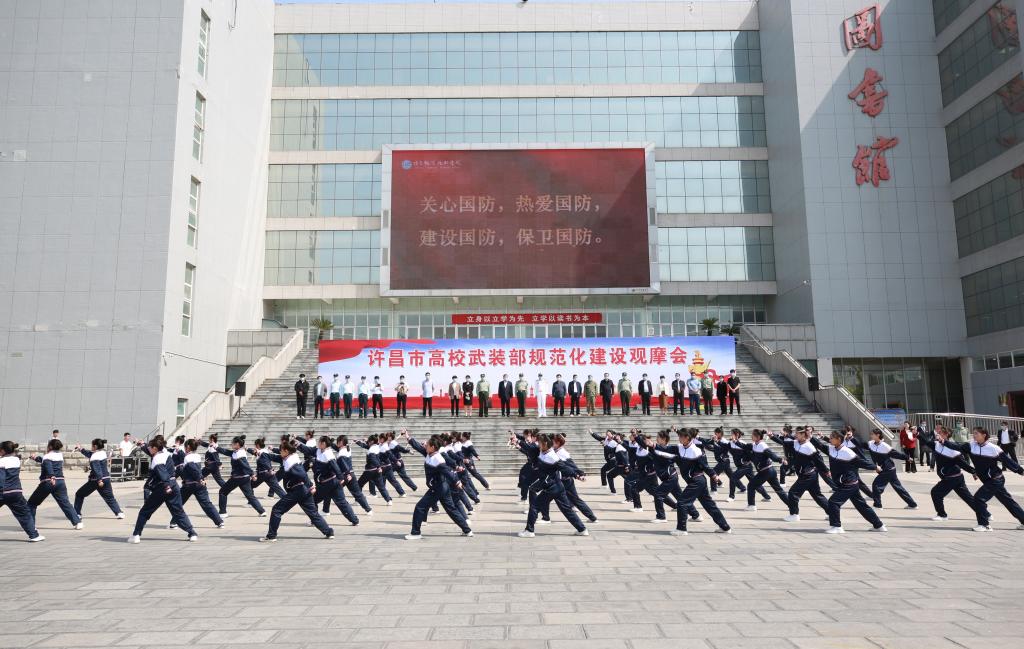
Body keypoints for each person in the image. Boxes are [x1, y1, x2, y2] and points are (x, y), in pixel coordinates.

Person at [650, 428, 731, 536]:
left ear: (687, 438)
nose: (679, 438)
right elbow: (667, 448)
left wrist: (714, 475)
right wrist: (653, 445)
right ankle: (725, 527)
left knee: (682, 502)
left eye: (681, 437)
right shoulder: (680, 447)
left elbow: (705, 466)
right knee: (709, 505)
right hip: (696, 481)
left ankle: (681, 529)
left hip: (697, 481)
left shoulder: (696, 451)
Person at [259, 439, 334, 542]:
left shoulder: (291, 462)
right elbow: (274, 457)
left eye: (281, 450)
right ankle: (329, 532)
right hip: (302, 491)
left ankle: (271, 536)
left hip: (297, 490)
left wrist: (311, 486)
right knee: (313, 513)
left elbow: (302, 474)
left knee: (277, 510)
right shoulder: (290, 457)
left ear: (286, 451)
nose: (280, 452)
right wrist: (261, 453)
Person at [517, 433, 589, 538]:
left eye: (540, 443)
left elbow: (565, 467)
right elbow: (530, 448)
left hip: (551, 487)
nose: (538, 445)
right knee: (567, 510)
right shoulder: (543, 451)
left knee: (535, 506)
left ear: (545, 444)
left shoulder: (552, 457)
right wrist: (518, 441)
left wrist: (577, 475)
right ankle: (582, 529)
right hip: (558, 486)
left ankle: (529, 530)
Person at [403, 432, 472, 540]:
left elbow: (447, 471)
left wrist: (457, 481)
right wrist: (408, 437)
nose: (425, 445)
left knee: (420, 507)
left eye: (428, 444)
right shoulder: (429, 454)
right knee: (451, 509)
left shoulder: (438, 459)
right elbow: (417, 447)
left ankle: (415, 533)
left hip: (438, 488)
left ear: (433, 447)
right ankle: (467, 530)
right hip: (441, 487)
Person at [129, 436, 197, 543]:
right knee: (178, 511)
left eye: (150, 447)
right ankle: (192, 533)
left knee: (145, 511)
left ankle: (136, 535)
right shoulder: (166, 453)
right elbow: (148, 449)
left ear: (155, 448)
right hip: (174, 485)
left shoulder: (157, 458)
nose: (149, 449)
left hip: (163, 487)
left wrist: (166, 485)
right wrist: (141, 444)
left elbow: (162, 473)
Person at [918, 424, 984, 526]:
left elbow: (962, 463)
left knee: (936, 492)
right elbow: (926, 441)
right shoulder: (937, 445)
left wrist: (973, 472)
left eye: (940, 433)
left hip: (952, 477)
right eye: (938, 432)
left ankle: (942, 515)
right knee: (967, 497)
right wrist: (917, 434)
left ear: (946, 435)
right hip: (954, 478)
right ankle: (986, 514)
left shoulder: (952, 449)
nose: (938, 434)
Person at [825, 430, 886, 534]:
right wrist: (811, 438)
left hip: (849, 483)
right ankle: (879, 525)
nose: (829, 439)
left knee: (833, 502)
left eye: (831, 438)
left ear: (839, 439)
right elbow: (820, 446)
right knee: (862, 505)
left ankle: (837, 526)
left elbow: (861, 462)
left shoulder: (847, 452)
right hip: (849, 483)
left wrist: (875, 467)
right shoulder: (833, 449)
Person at [968, 427, 1024, 531]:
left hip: (995, 479)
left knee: (979, 498)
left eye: (976, 433)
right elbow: (957, 447)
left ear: (984, 435)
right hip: (989, 480)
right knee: (1008, 501)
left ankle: (984, 525)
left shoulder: (993, 448)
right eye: (973, 433)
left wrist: (1020, 471)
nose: (974, 435)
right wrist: (943, 442)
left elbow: (1007, 461)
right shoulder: (972, 445)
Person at [201, 435, 266, 518]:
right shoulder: (236, 452)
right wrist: (216, 447)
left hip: (237, 478)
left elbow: (245, 465)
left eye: (232, 443)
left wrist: (252, 474)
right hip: (244, 478)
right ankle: (262, 511)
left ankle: (222, 512)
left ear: (237, 444)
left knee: (223, 492)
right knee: (249, 495)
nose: (231, 444)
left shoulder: (239, 454)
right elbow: (225, 452)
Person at [777, 428, 831, 522]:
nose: (796, 435)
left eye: (797, 434)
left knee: (793, 493)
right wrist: (772, 436)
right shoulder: (796, 443)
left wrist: (826, 470)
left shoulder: (809, 447)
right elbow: (784, 443)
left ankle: (794, 514)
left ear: (803, 435)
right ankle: (832, 513)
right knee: (817, 495)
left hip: (808, 474)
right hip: (808, 474)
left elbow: (818, 460)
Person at [28, 439, 82, 530]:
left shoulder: (47, 456)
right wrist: (35, 458)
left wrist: (52, 476)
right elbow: (45, 462)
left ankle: (30, 525)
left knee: (31, 503)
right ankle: (77, 522)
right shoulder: (59, 456)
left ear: (50, 447)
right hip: (60, 482)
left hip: (48, 482)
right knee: (65, 503)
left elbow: (48, 465)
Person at [0, 441, 44, 541]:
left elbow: (1, 479)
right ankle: (34, 535)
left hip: (2, 492)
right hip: (15, 492)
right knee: (25, 513)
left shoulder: (1, 462)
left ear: (2, 451)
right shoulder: (16, 460)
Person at [176, 439, 224, 528]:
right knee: (207, 504)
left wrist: (200, 478)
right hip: (199, 485)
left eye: (185, 447)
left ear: (188, 447)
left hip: (190, 484)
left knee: (178, 503)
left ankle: (174, 523)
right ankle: (219, 522)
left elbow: (193, 469)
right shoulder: (197, 456)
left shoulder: (188, 458)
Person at [866, 428, 917, 510]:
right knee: (898, 488)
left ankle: (877, 505)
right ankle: (912, 504)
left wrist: (907, 457)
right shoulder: (871, 444)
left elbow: (896, 454)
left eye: (872, 434)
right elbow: (861, 445)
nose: (870, 435)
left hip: (888, 470)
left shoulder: (884, 446)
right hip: (889, 470)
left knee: (876, 485)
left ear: (878, 435)